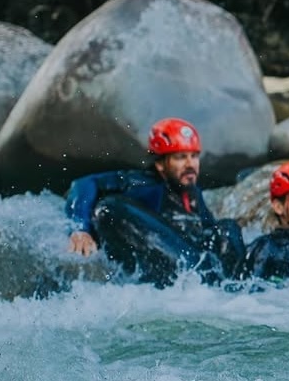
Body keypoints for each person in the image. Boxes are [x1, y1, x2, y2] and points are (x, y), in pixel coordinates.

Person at [65, 117, 244, 286]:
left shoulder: (193, 194)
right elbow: (83, 184)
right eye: (181, 157)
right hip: (169, 270)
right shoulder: (143, 183)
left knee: (228, 228)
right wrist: (81, 228)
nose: (190, 164)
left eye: (194, 156)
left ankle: (237, 287)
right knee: (109, 207)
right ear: (160, 164)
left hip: (195, 266)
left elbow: (208, 232)